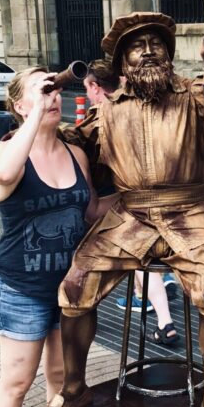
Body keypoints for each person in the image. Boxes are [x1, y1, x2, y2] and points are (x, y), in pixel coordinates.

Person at [24, 12, 204, 407]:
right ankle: (74, 388)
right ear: (123, 61)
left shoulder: (196, 94)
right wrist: (38, 113)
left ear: (169, 53)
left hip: (189, 209)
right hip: (130, 215)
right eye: (136, 45)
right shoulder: (108, 111)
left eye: (155, 43)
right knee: (74, 287)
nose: (147, 49)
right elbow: (68, 144)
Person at [0, 66, 100, 407]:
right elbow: (5, 178)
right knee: (16, 381)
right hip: (21, 289)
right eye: (41, 91)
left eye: (56, 91)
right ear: (19, 105)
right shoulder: (1, 151)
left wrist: (146, 200)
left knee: (61, 379)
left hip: (67, 291)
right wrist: (33, 118)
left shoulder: (75, 155)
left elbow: (89, 211)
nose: (54, 97)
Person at [83, 60, 179, 348]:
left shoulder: (103, 117)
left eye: (87, 88)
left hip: (126, 206)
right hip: (160, 204)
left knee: (135, 256)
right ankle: (148, 297)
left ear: (95, 87)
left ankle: (163, 317)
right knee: (141, 261)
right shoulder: (141, 111)